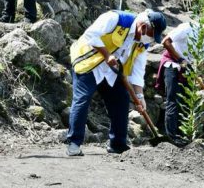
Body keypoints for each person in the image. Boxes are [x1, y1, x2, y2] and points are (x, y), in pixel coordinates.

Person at [66, 9, 167, 156]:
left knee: (121, 100)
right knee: (83, 98)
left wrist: (140, 96)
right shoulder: (116, 19)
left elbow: (138, 69)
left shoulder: (142, 44)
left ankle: (117, 145)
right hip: (88, 62)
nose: (150, 40)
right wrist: (106, 55)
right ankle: (74, 143)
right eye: (151, 36)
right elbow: (90, 34)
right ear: (144, 27)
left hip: (112, 71)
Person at [156, 14, 204, 143]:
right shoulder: (188, 28)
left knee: (185, 102)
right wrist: (180, 59)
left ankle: (182, 136)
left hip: (187, 68)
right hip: (171, 63)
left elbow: (201, 64)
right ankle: (172, 138)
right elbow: (165, 41)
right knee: (173, 100)